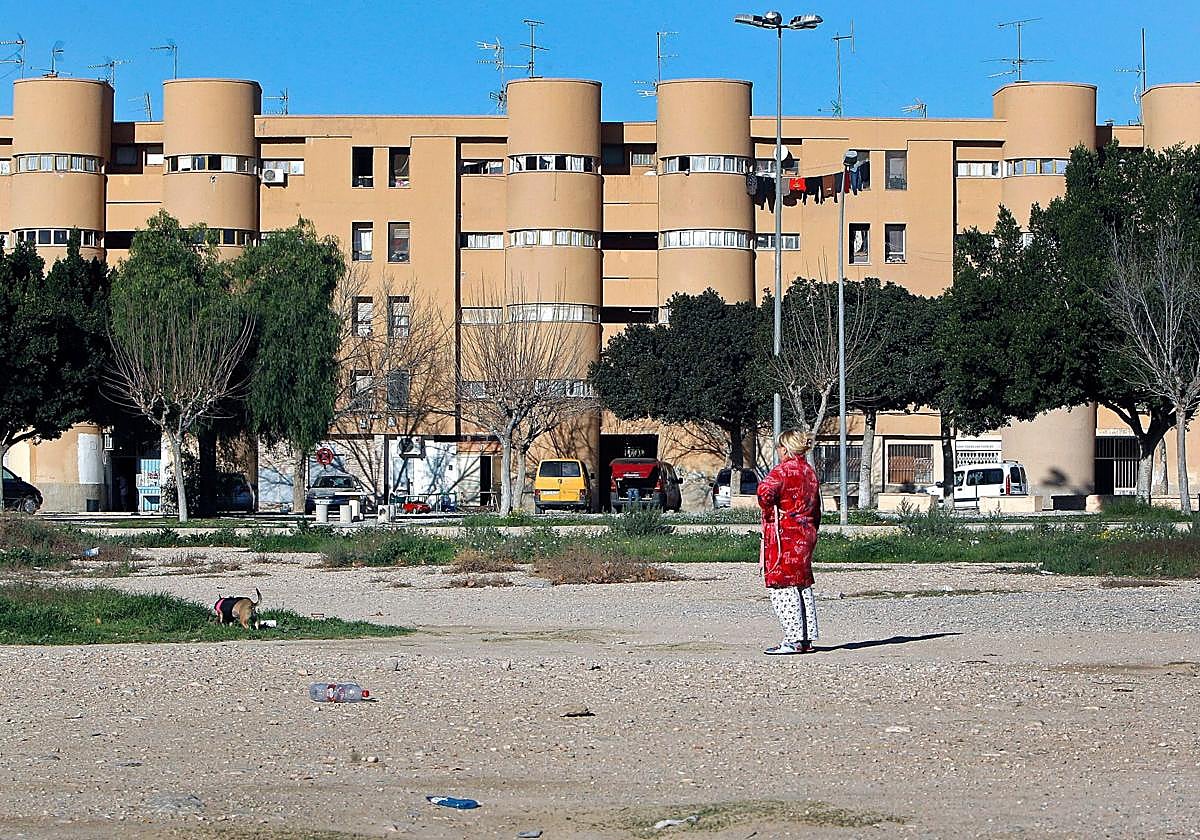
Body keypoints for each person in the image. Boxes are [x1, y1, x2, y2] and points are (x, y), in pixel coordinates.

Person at [757, 429, 822, 655]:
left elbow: (764, 492)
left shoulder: (782, 471)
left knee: (782, 585)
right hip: (806, 533)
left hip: (784, 536)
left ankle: (793, 639)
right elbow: (817, 506)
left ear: (785, 448)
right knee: (801, 585)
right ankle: (806, 639)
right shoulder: (809, 472)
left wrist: (770, 512)